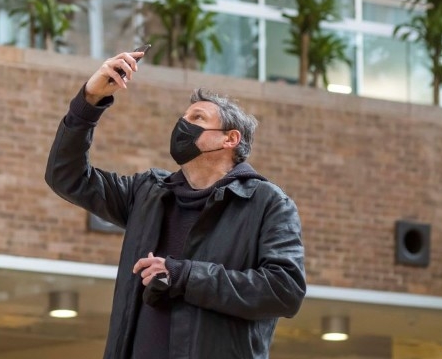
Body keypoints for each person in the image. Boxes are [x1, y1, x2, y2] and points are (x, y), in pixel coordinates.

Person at [45, 49, 306, 359]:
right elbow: (67, 176)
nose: (183, 125)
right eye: (183, 118)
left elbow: (284, 290)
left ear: (230, 139)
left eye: (197, 118)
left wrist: (183, 276)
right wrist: (89, 101)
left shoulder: (267, 203)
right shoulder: (147, 194)